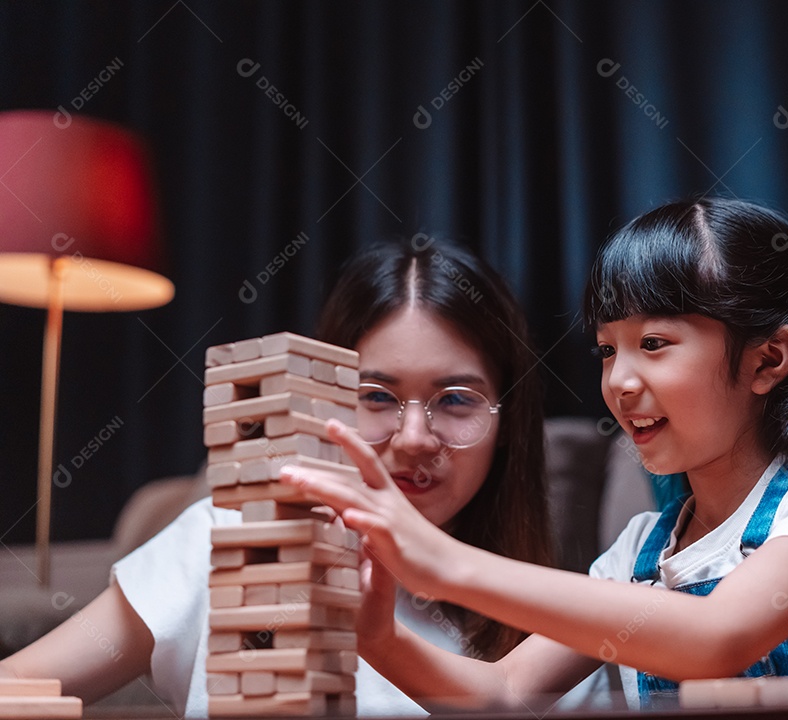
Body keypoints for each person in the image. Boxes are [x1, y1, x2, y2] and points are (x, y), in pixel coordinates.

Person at [281, 197, 788, 711]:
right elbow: (504, 693)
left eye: (655, 345)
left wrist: (444, 563)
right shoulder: (641, 554)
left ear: (770, 358)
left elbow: (719, 636)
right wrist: (378, 640)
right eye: (608, 350)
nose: (619, 381)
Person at [0, 237, 561, 715]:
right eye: (375, 396)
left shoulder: (550, 617)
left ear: (507, 421)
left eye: (456, 400)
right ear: (323, 398)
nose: (414, 437)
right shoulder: (234, 540)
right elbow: (18, 686)